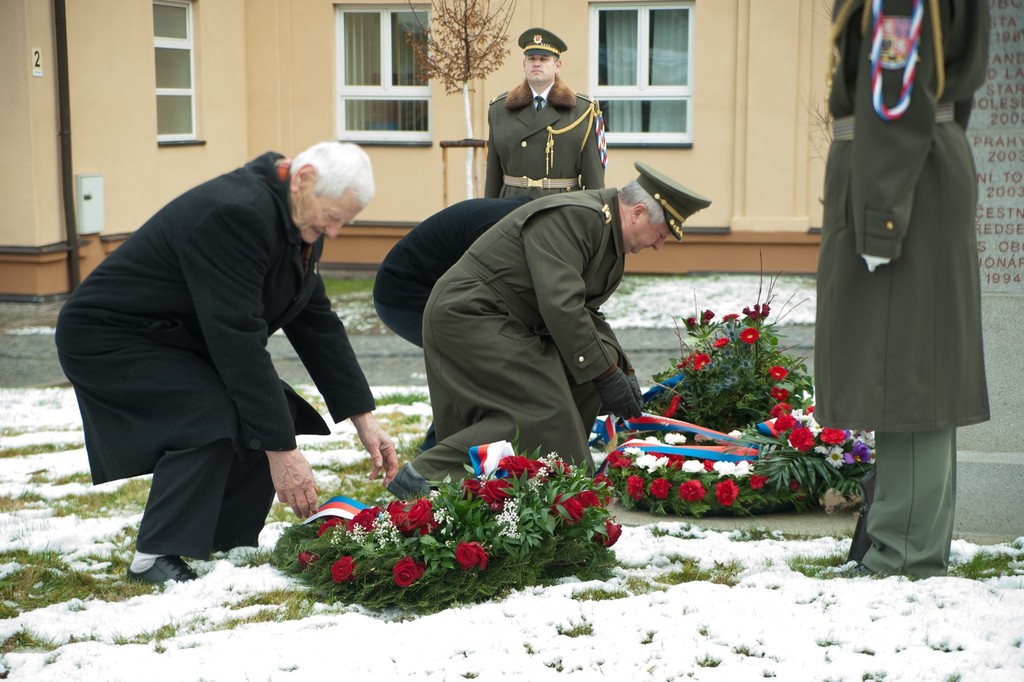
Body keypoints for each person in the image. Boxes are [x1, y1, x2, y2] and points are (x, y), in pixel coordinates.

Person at [55, 142, 399, 585]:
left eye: (344, 221)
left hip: (176, 337)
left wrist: (363, 418)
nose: (334, 231)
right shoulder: (236, 213)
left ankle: (229, 541)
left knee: (273, 409)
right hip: (112, 337)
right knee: (210, 416)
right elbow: (237, 339)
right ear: (303, 178)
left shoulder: (297, 218)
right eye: (333, 216)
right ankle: (153, 556)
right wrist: (283, 453)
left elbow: (316, 322)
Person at [387, 162, 711, 498]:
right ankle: (426, 472)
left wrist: (618, 369)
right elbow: (562, 306)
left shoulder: (608, 235)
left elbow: (587, 311)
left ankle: (545, 483)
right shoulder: (577, 217)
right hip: (471, 314)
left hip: (507, 319)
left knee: (581, 386)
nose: (658, 246)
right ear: (639, 212)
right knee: (537, 408)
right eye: (660, 234)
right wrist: (606, 372)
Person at [814, 0, 990, 578]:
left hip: (897, 180)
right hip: (917, 172)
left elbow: (897, 96)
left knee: (907, 369)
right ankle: (906, 540)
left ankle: (902, 553)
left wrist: (882, 216)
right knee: (914, 363)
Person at [373, 196, 532, 451]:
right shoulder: (503, 231)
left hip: (440, 290)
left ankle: (447, 449)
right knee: (472, 363)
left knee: (479, 362)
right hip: (403, 294)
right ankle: (435, 456)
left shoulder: (527, 219)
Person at [483, 28, 605, 198]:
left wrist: (594, 217)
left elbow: (593, 178)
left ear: (557, 66)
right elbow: (493, 176)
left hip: (560, 207)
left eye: (544, 59)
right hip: (512, 206)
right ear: (524, 64)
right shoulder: (500, 109)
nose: (536, 63)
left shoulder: (582, 110)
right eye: (531, 58)